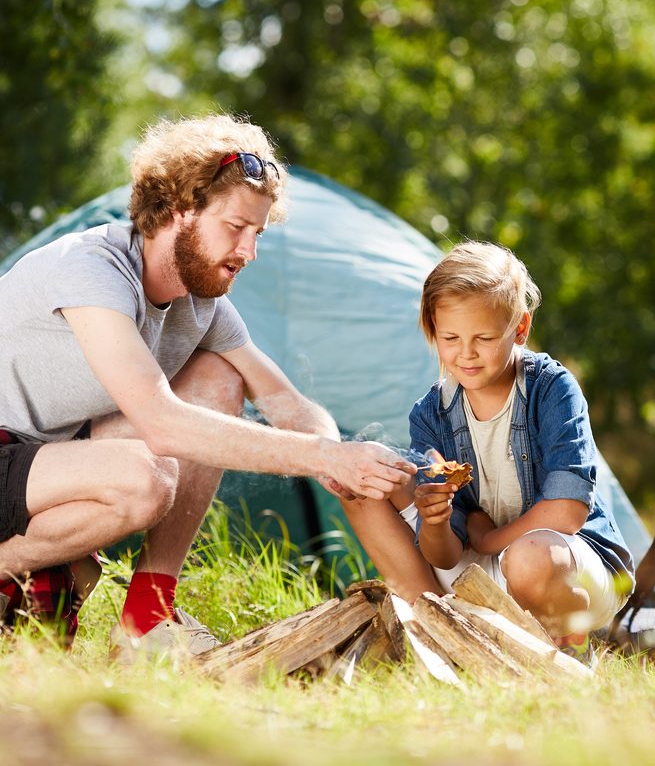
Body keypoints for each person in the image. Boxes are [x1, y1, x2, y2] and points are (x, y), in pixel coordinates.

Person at [0, 114, 415, 657]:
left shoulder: (202, 306)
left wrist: (340, 455)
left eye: (258, 233)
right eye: (236, 227)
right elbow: (159, 422)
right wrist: (318, 456)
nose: (249, 251)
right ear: (180, 209)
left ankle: (144, 620)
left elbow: (282, 398)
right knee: (143, 481)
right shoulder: (92, 269)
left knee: (219, 378)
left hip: (42, 466)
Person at [340, 241, 634, 646]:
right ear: (432, 330)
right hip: (481, 570)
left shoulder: (551, 388)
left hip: (567, 564)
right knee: (361, 483)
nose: (466, 354)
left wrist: (487, 538)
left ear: (520, 329)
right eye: (450, 338)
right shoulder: (431, 414)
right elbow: (443, 555)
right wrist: (439, 522)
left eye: (483, 337)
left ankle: (562, 647)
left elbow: (567, 512)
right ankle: (446, 636)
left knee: (530, 558)